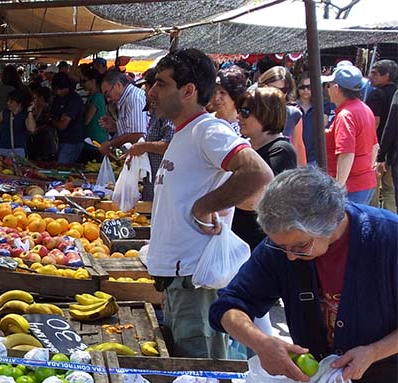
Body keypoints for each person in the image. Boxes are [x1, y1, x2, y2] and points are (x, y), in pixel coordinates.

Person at [210, 167, 398, 383]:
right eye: (283, 248)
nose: (292, 257)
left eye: (300, 246)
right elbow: (228, 305)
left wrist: (374, 351)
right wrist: (261, 342)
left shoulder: (387, 240)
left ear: (332, 221)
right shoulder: (282, 249)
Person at [144, 48, 273, 359]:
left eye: (161, 84)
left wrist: (204, 206)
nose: (152, 92)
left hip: (195, 280)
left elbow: (258, 172)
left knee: (201, 375)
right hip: (181, 280)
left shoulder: (208, 130)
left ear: (188, 91)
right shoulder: (185, 133)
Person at [233, 87, 298, 250]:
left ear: (266, 114)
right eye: (239, 111)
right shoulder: (245, 147)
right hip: (237, 239)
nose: (238, 117)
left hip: (258, 244)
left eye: (245, 112)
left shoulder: (281, 150)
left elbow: (256, 198)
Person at [326, 65, 380, 205]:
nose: (328, 89)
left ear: (336, 88)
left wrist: (338, 187)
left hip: (352, 187)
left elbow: (346, 153)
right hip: (364, 183)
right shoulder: (364, 108)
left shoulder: (346, 115)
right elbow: (374, 146)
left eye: (329, 85)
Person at [124, 69, 175, 202]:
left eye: (146, 87)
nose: (146, 92)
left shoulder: (167, 113)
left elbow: (169, 144)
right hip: (152, 181)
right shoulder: (155, 112)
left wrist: (143, 146)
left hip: (162, 182)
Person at [257, 66, 307, 165]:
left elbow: (298, 148)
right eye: (272, 89)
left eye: (283, 90)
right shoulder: (251, 113)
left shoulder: (293, 114)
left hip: (285, 174)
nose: (278, 94)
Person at [368, 60, 397, 212]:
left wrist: (372, 150)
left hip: (377, 149)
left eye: (374, 73)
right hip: (394, 152)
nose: (370, 76)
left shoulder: (376, 95)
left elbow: (375, 122)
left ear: (386, 76)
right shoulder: (396, 93)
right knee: (389, 190)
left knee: (372, 188)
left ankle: (374, 221)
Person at [98, 71, 148, 157]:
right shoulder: (125, 99)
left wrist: (110, 144)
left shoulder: (134, 98)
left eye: (108, 95)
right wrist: (115, 126)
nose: (108, 100)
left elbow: (137, 134)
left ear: (118, 85)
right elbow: (131, 129)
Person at [297, 74, 336, 167]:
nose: (306, 90)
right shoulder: (291, 106)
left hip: (314, 155)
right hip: (296, 153)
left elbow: (324, 123)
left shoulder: (323, 104)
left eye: (309, 87)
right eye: (302, 87)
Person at [0, 86, 35, 158]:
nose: (8, 103)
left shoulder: (25, 115)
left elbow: (32, 129)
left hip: (18, 149)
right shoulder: (5, 113)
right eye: (8, 101)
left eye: (11, 101)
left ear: (19, 103)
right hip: (2, 147)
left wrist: (30, 111)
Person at [51, 74, 85, 164]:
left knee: (63, 166)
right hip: (61, 139)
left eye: (60, 89)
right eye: (56, 90)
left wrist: (52, 121)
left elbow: (62, 125)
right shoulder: (57, 99)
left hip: (72, 141)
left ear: (67, 87)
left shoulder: (74, 100)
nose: (58, 92)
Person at [210, 65, 247, 134]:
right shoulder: (205, 122)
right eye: (213, 92)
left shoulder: (245, 125)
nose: (216, 98)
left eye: (222, 93)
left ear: (235, 95)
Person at [27, 85, 57, 161]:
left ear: (41, 98)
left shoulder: (48, 111)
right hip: (39, 145)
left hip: (46, 146)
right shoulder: (39, 110)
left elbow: (47, 125)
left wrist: (35, 130)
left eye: (35, 98)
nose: (33, 100)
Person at [81, 67, 109, 147]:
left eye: (84, 81)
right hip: (91, 137)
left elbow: (87, 120)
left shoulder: (97, 97)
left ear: (93, 81)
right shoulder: (92, 96)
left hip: (96, 139)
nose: (82, 84)